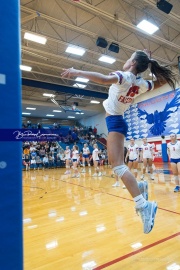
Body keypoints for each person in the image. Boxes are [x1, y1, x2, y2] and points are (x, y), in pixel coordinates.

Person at [61, 49, 178, 234]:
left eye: (129, 58)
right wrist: (151, 62)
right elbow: (161, 81)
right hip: (117, 120)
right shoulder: (142, 83)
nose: (126, 60)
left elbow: (103, 79)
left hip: (115, 120)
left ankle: (144, 205)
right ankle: (139, 186)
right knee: (118, 165)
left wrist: (78, 72)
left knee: (118, 166)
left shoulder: (125, 76)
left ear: (132, 63)